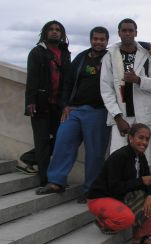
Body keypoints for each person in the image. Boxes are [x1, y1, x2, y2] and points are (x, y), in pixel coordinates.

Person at [35, 27, 110, 197]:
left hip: (98, 111)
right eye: (95, 39)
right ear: (91, 39)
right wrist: (65, 105)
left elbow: (128, 45)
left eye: (102, 39)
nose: (98, 42)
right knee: (63, 142)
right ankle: (56, 181)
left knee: (95, 152)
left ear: (107, 41)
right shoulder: (82, 57)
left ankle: (91, 189)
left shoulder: (111, 57)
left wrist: (147, 45)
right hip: (74, 110)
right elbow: (67, 82)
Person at [100, 18, 151, 165]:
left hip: (145, 116)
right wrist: (117, 117)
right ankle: (120, 189)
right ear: (119, 33)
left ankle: (139, 188)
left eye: (131, 31)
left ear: (136, 33)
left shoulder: (148, 55)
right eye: (124, 30)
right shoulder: (109, 56)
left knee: (143, 161)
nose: (128, 34)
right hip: (121, 117)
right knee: (116, 160)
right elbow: (106, 90)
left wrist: (139, 80)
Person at [86, 123, 151, 244]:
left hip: (121, 195)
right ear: (131, 138)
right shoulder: (119, 156)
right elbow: (114, 188)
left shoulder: (141, 157)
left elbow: (149, 181)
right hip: (100, 198)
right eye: (140, 138)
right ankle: (103, 222)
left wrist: (150, 196)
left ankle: (140, 237)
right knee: (127, 219)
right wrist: (141, 181)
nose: (144, 142)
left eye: (147, 139)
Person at [25, 20, 71, 188]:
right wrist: (30, 102)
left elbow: (67, 80)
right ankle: (45, 180)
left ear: (62, 33)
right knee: (42, 141)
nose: (54, 32)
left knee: (62, 139)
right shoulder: (36, 52)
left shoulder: (65, 53)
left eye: (58, 29)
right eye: (51, 29)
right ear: (45, 32)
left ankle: (29, 158)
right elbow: (32, 79)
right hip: (41, 104)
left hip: (58, 106)